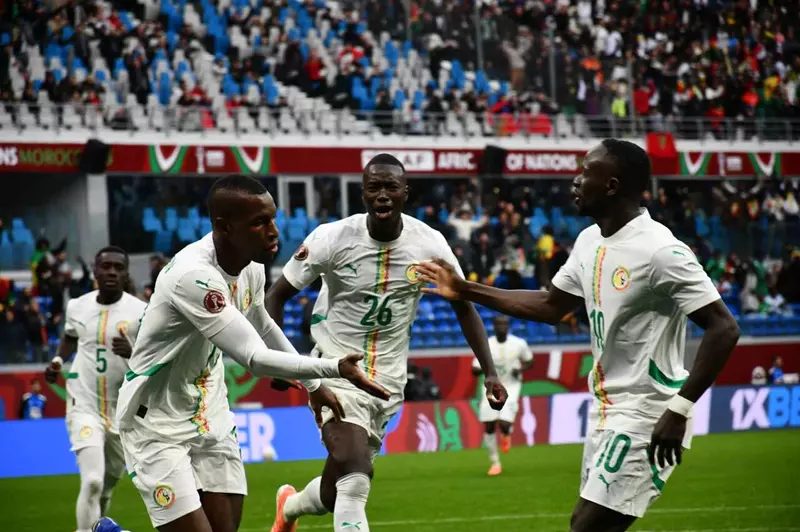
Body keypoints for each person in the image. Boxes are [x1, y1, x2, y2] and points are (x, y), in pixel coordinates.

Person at [417, 139, 741, 532]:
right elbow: (550, 305)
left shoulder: (660, 251)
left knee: (586, 527)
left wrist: (680, 409)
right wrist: (465, 289)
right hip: (605, 409)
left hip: (647, 412)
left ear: (612, 185)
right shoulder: (590, 240)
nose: (575, 180)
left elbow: (724, 326)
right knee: (588, 523)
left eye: (586, 172)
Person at [115, 175, 388, 532]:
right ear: (224, 227)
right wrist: (334, 367)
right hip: (155, 419)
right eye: (259, 223)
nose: (273, 231)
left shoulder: (252, 265)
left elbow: (263, 324)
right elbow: (255, 358)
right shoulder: (193, 277)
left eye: (272, 218)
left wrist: (314, 385)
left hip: (208, 409)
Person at [266, 153, 509, 532]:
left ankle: (290, 507)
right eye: (374, 187)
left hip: (389, 383)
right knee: (356, 476)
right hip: (337, 373)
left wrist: (490, 371)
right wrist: (279, 363)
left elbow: (463, 305)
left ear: (405, 193)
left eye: (390, 187)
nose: (382, 195)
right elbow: (276, 296)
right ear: (363, 193)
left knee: (336, 489)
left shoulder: (430, 244)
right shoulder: (332, 238)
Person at [44, 246, 147, 532]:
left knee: (105, 489)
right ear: (95, 270)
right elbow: (69, 336)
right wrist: (57, 361)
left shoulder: (141, 312)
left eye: (118, 267)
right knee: (92, 481)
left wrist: (133, 352)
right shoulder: (77, 306)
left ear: (126, 274)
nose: (111, 272)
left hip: (122, 412)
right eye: (106, 266)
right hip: (84, 404)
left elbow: (154, 359)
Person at [472, 314, 532, 476]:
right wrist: (479, 370)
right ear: (494, 326)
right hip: (491, 387)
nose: (501, 327)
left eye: (504, 324)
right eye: (499, 324)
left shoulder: (519, 343)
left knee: (504, 424)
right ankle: (495, 463)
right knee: (489, 425)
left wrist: (520, 369)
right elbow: (474, 368)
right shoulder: (486, 344)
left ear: (508, 326)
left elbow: (529, 361)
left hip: (511, 387)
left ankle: (506, 432)